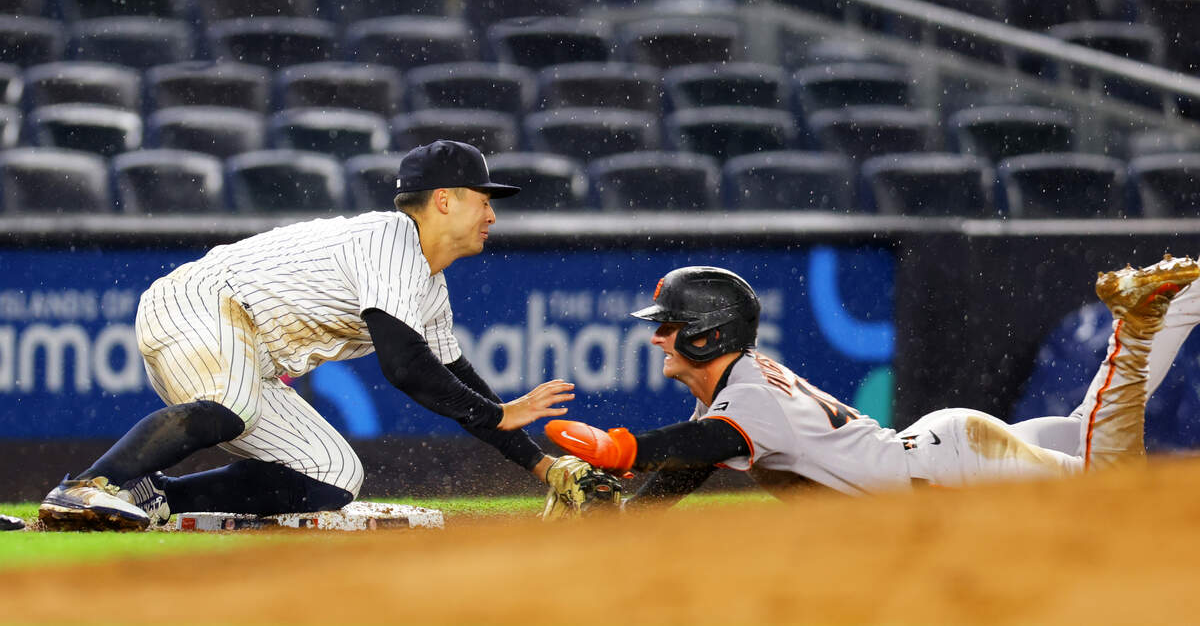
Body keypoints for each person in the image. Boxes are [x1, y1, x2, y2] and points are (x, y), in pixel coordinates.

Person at [40, 140, 590, 531]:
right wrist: (496, 413)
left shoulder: (428, 284)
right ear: (444, 199)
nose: (491, 214)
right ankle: (90, 485)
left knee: (333, 474)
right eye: (483, 199)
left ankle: (156, 497)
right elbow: (404, 367)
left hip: (249, 348)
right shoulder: (391, 239)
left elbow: (455, 379)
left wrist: (542, 466)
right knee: (231, 406)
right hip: (200, 302)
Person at [547, 257, 1200, 506]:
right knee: (1088, 433)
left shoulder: (747, 397)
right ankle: (1179, 303)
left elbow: (704, 443)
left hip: (952, 471)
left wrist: (622, 449)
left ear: (708, 333)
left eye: (670, 326)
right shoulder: (737, 387)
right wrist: (625, 516)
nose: (657, 338)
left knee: (1109, 482)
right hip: (945, 454)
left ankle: (1142, 321)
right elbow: (689, 468)